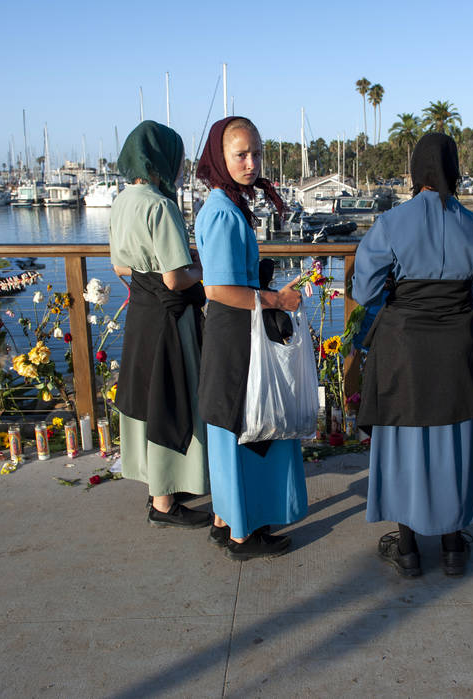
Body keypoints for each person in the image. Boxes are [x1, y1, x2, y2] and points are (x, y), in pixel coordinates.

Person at [352, 133, 473, 578]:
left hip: (402, 351)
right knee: (455, 443)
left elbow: (363, 290)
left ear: (416, 170)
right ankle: (454, 547)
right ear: (453, 169)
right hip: (457, 350)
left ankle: (407, 551)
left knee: (403, 445)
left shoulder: (390, 224)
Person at [194, 116, 308, 561]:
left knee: (233, 426)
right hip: (235, 330)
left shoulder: (228, 204)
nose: (250, 162)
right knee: (246, 425)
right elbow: (218, 288)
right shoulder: (223, 211)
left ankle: (226, 521)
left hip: (233, 328)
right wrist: (276, 299)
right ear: (220, 158)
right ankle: (244, 535)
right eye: (240, 154)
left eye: (256, 153)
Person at [109, 120, 211, 529]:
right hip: (171, 315)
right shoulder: (160, 205)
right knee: (173, 396)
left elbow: (120, 266)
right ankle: (166, 501)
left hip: (141, 312)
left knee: (148, 395)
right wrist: (203, 270)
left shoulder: (121, 201)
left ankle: (160, 487)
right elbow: (175, 277)